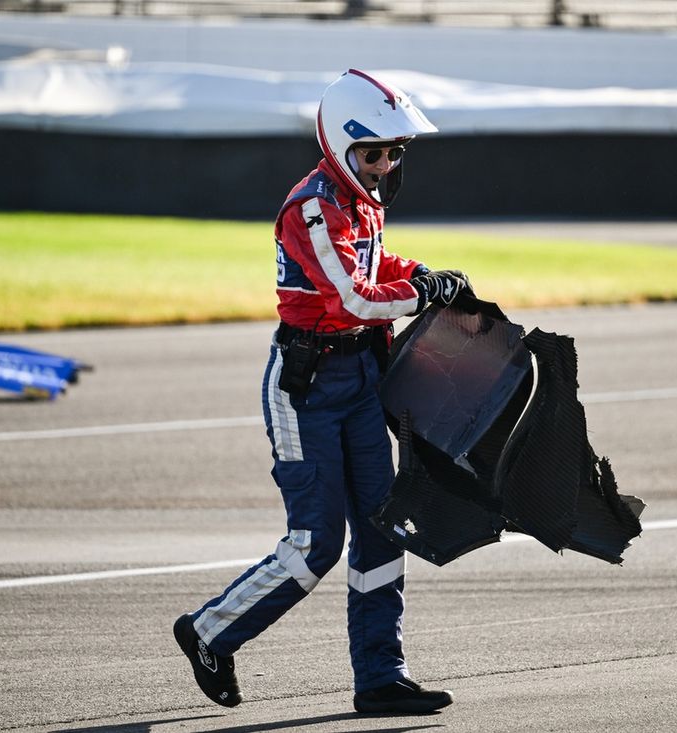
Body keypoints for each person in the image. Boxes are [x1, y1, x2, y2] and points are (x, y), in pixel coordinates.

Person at [173, 68, 471, 714]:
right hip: (305, 388)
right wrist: (421, 293)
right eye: (375, 152)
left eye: (394, 152)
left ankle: (381, 675)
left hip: (361, 377)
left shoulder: (361, 201)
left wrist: (422, 272)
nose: (387, 162)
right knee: (315, 546)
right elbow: (352, 294)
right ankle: (208, 632)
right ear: (341, 145)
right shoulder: (309, 207)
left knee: (382, 529)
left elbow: (374, 268)